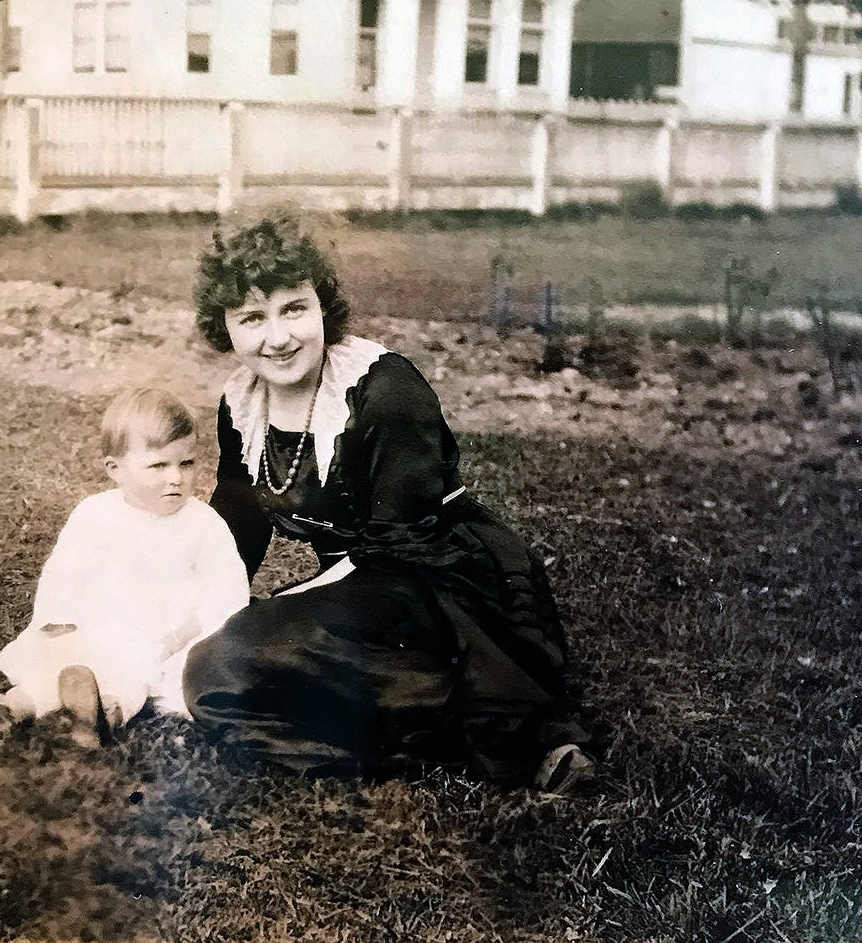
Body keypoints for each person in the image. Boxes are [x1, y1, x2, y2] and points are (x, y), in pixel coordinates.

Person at [184, 214, 592, 791]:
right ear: (225, 328)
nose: (276, 338)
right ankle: (424, 727)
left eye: (293, 308)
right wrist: (196, 606)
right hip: (365, 587)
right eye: (252, 317)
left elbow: (401, 540)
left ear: (322, 305)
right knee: (214, 664)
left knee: (233, 658)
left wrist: (269, 610)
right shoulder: (242, 402)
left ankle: (476, 725)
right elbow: (239, 522)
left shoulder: (384, 389)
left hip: (444, 581)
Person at [0, 387, 250, 747]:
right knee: (57, 665)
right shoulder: (95, 514)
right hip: (94, 627)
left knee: (130, 672)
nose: (176, 478)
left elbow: (225, 593)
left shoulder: (204, 524)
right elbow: (64, 572)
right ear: (115, 469)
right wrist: (57, 619)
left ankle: (101, 716)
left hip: (159, 639)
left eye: (185, 463)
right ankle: (8, 709)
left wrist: (181, 636)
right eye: (159, 465)